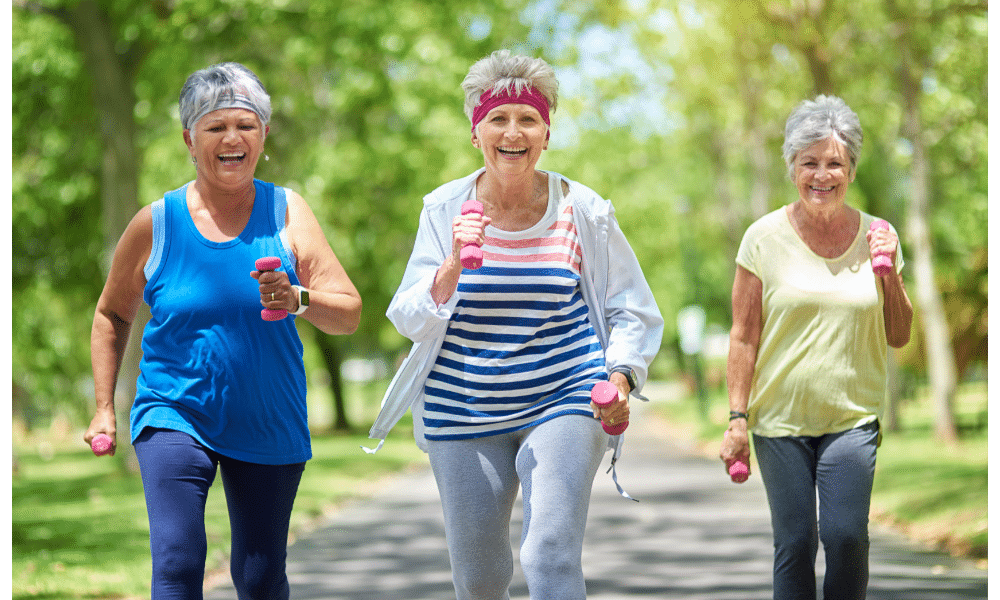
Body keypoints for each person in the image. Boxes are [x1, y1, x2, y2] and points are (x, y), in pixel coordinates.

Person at [365, 49, 663, 599]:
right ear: (476, 131)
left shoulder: (585, 210)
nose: (513, 132)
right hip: (463, 405)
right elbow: (407, 316)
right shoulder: (443, 209)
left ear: (546, 133)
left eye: (528, 119)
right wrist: (452, 265)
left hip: (566, 396)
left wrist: (620, 379)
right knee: (479, 580)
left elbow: (632, 308)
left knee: (549, 554)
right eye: (498, 119)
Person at [83, 62, 362, 600]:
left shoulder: (289, 212)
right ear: (190, 139)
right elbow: (112, 313)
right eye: (216, 128)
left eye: (246, 125)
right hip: (174, 409)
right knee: (178, 562)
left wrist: (298, 298)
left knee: (259, 578)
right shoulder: (155, 223)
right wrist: (103, 405)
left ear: (264, 135)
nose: (232, 138)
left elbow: (347, 313)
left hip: (268, 415)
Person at [720, 95, 913, 599]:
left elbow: (898, 334)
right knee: (795, 542)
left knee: (846, 537)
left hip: (851, 417)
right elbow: (743, 335)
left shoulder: (879, 235)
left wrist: (889, 274)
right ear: (792, 168)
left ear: (850, 169)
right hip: (779, 421)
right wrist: (738, 418)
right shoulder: (762, 239)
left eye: (835, 163)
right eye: (810, 162)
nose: (821, 175)